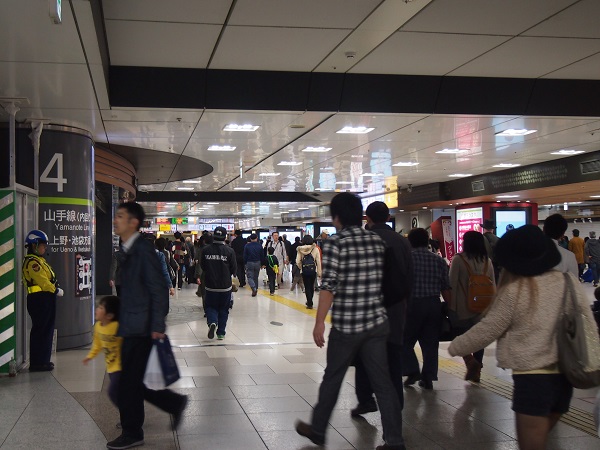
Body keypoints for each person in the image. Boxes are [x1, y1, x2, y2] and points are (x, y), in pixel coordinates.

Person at [448, 225, 594, 450]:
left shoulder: (516, 289)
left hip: (532, 379)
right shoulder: (568, 282)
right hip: (566, 378)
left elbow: (488, 329)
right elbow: (588, 323)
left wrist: (456, 346)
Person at [295, 193, 405, 450]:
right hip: (377, 323)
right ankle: (396, 441)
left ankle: (318, 430)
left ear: (337, 217)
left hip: (347, 326)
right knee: (384, 383)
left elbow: (329, 286)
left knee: (333, 377)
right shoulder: (376, 241)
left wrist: (319, 321)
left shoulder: (336, 243)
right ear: (361, 215)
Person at [108, 202, 187, 450]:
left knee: (128, 383)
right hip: (132, 325)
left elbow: (158, 289)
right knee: (132, 381)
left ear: (133, 222)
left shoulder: (143, 250)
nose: (115, 220)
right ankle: (173, 404)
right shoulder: (129, 249)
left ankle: (133, 432)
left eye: (120, 216)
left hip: (141, 327)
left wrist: (157, 324)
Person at [352, 201, 413, 417]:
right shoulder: (402, 242)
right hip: (396, 310)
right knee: (393, 358)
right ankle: (396, 404)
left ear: (367, 218)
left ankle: (366, 400)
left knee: (363, 358)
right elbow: (409, 277)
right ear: (388, 218)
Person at [403, 228, 451, 390]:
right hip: (433, 305)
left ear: (410, 242)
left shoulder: (407, 259)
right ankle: (428, 377)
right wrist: (450, 308)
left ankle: (412, 370)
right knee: (430, 343)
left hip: (412, 305)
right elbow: (446, 287)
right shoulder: (438, 261)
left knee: (405, 340)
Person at [448, 231, 495, 382]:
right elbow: (493, 285)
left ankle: (470, 361)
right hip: (483, 307)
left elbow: (452, 285)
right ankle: (477, 370)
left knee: (459, 335)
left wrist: (451, 307)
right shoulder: (487, 261)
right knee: (478, 339)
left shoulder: (458, 259)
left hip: (462, 307)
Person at [22, 230, 64, 372]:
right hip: (39, 300)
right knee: (41, 330)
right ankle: (37, 363)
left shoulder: (40, 260)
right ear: (34, 245)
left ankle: (43, 360)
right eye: (42, 245)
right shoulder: (32, 263)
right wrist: (56, 290)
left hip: (45, 299)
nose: (44, 248)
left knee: (46, 329)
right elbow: (43, 280)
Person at [83, 296, 122, 408]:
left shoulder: (117, 327)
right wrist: (90, 356)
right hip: (110, 367)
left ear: (109, 315)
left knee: (113, 392)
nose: (97, 309)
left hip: (121, 367)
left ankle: (128, 414)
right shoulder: (98, 327)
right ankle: (127, 414)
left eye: (100, 308)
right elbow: (97, 344)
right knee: (120, 394)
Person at [200, 226, 237, 340]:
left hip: (210, 285)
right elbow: (233, 268)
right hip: (225, 286)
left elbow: (203, 266)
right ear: (225, 237)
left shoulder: (205, 250)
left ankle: (212, 322)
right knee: (223, 309)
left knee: (211, 306)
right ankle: (221, 333)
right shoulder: (230, 251)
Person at [543, 214, 578, 278]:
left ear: (543, 229)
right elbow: (574, 283)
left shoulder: (530, 254)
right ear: (563, 234)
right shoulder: (569, 256)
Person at [295, 235, 321, 308]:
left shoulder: (300, 249)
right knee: (311, 286)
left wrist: (301, 267)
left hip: (304, 271)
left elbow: (297, 261)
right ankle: (310, 301)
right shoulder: (315, 249)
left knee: (307, 286)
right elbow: (318, 261)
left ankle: (309, 302)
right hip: (313, 270)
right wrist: (319, 272)